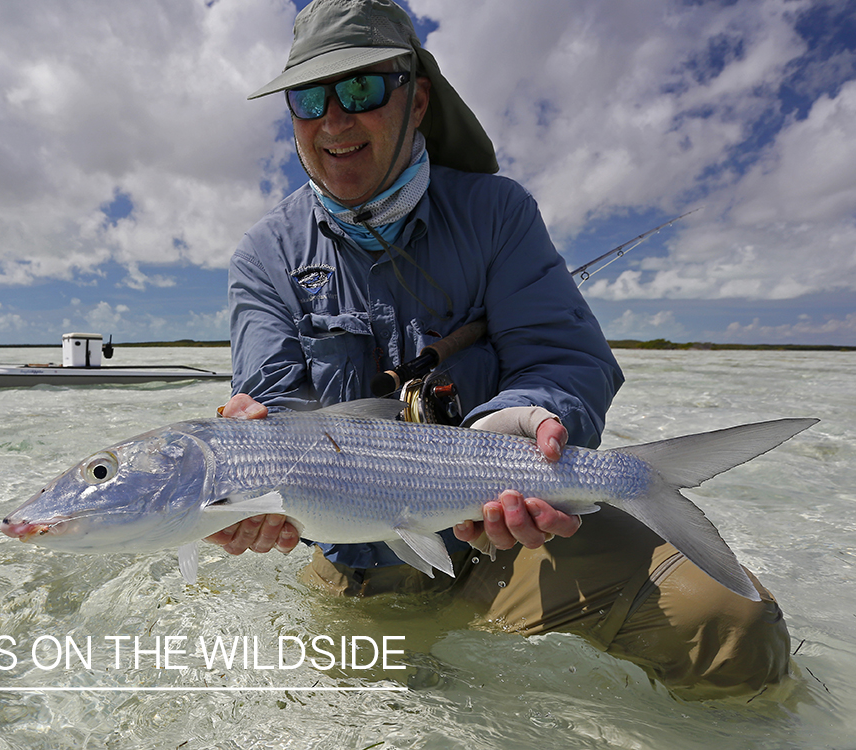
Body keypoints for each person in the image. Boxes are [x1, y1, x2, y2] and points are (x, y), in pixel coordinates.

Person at [207, 0, 789, 697]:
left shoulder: (497, 213)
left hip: (505, 542)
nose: (332, 119)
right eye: (307, 97)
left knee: (730, 626)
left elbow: (564, 358)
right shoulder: (263, 256)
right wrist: (245, 483)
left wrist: (527, 415)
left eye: (360, 88)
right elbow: (272, 410)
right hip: (357, 566)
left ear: (416, 97)